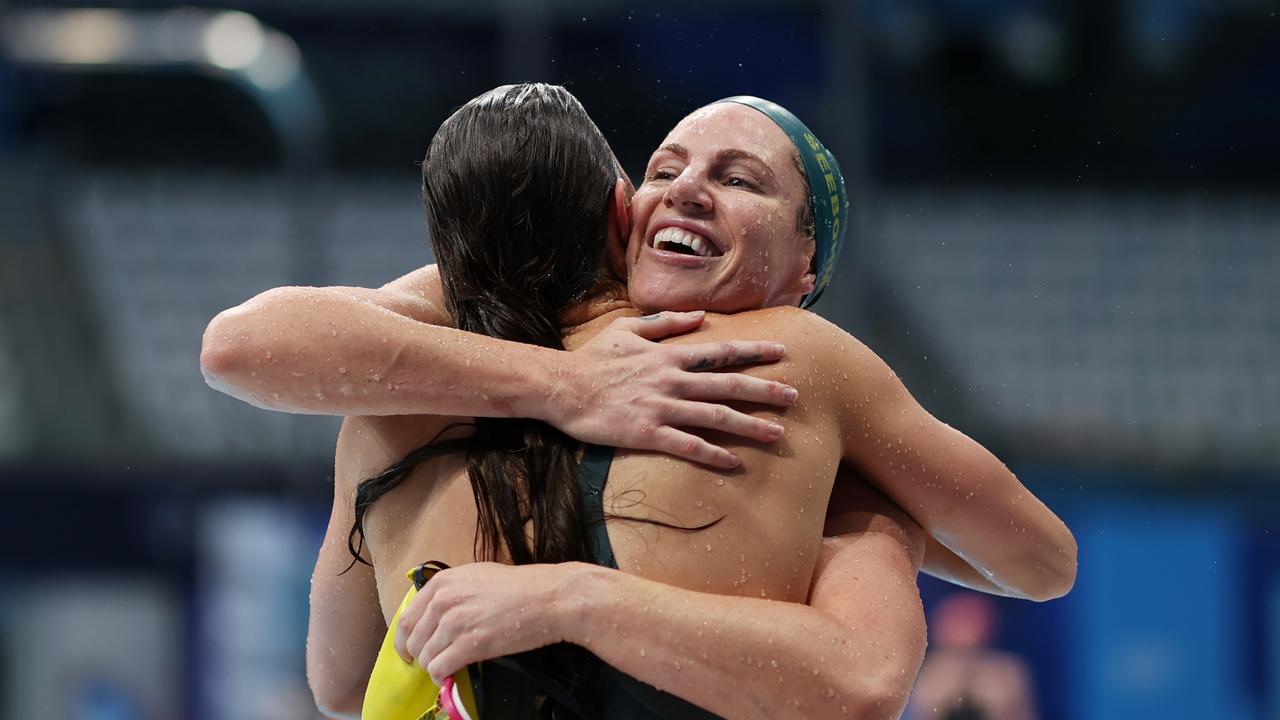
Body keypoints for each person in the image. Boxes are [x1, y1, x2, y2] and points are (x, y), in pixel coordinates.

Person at [202, 85, 1076, 717]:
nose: (690, 187)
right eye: (668, 167)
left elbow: (346, 689)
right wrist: (568, 387)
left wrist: (866, 504)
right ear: (623, 213)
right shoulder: (474, 334)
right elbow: (240, 346)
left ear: (805, 268)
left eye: (740, 179)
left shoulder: (796, 365)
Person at [906, 593, 1040, 720]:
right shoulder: (925, 672)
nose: (964, 632)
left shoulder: (1007, 673)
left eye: (967, 624)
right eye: (958, 622)